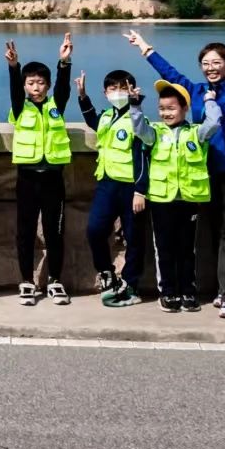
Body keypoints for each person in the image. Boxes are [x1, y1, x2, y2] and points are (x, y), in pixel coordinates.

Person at [127, 27, 225, 319]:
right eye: (206, 63)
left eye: (216, 62)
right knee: (199, 238)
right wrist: (145, 48)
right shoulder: (194, 91)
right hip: (201, 177)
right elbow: (170, 75)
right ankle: (187, 290)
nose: (211, 67)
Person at [6, 34, 74, 305]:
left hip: (53, 179)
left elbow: (64, 88)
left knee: (54, 231)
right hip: (27, 178)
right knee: (25, 231)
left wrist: (64, 63)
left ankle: (55, 280)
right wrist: (13, 67)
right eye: (31, 83)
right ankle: (26, 281)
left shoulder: (56, 106)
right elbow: (14, 90)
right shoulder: (20, 108)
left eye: (41, 82)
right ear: (25, 85)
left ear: (47, 84)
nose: (36, 87)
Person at [144, 80, 222, 312]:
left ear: (185, 108)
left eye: (171, 108)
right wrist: (136, 106)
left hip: (188, 199)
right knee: (164, 248)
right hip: (161, 199)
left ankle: (188, 291)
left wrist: (210, 102)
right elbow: (140, 130)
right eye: (162, 108)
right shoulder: (155, 132)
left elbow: (214, 123)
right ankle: (168, 292)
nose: (166, 113)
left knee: (187, 249)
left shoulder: (195, 133)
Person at [78, 68, 148, 308]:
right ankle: (106, 273)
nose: (117, 92)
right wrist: (82, 96)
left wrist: (140, 190)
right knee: (95, 230)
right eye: (112, 88)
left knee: (134, 238)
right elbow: (92, 120)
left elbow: (142, 158)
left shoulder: (138, 121)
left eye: (122, 88)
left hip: (130, 188)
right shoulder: (107, 116)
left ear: (132, 91)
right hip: (107, 183)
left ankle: (131, 283)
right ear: (105, 93)